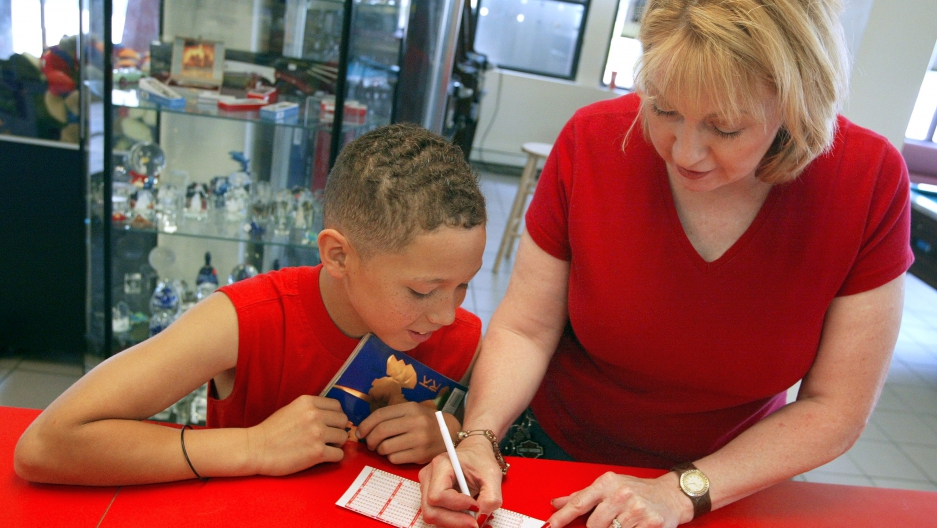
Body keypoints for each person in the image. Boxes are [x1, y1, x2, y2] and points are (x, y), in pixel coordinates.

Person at [419, 1, 913, 527]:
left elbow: (835, 408)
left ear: (797, 108)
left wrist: (680, 492)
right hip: (555, 445)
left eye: (725, 129)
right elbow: (526, 328)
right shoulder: (593, 140)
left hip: (733, 476)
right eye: (663, 109)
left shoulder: (867, 181)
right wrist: (479, 436)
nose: (685, 154)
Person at [14, 123, 488, 485]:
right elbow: (46, 444)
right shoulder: (247, 318)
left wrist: (454, 435)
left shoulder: (463, 340)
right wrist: (254, 446)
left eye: (464, 285)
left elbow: (492, 446)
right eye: (421, 291)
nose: (446, 314)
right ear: (339, 256)